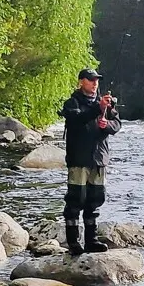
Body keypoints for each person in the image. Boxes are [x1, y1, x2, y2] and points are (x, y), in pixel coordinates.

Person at [59, 68, 121, 255]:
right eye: (90, 80)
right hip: (78, 158)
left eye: (96, 80)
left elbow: (117, 124)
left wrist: (107, 124)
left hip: (99, 159)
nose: (95, 83)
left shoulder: (105, 104)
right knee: (75, 200)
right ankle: (73, 242)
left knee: (95, 200)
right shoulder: (72, 103)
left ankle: (91, 241)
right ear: (81, 82)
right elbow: (78, 119)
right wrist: (98, 108)